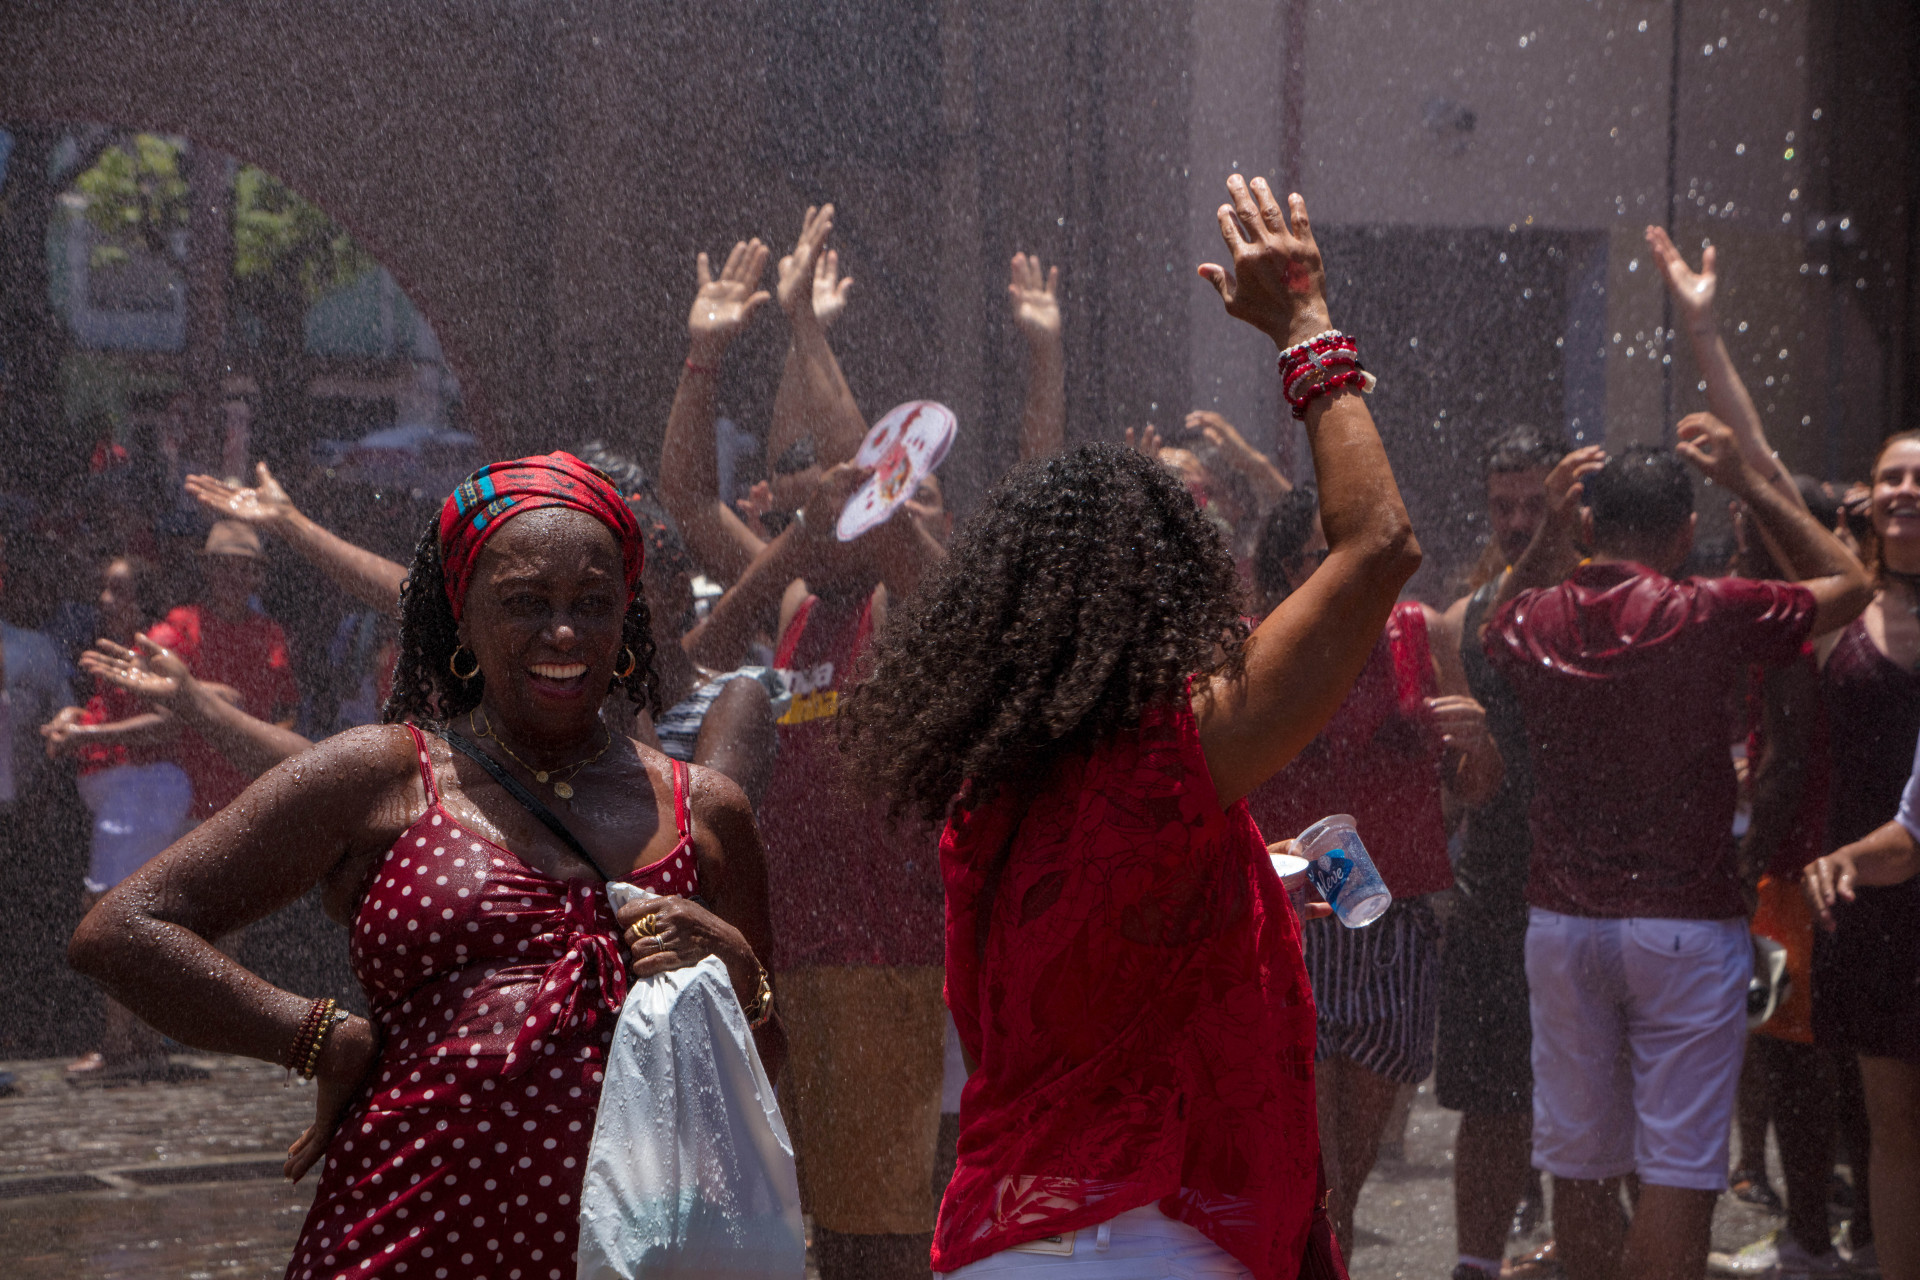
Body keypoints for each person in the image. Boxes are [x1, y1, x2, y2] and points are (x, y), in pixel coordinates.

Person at [842, 176, 1421, 1280]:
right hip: (1154, 1235)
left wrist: (1260, 865)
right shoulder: (1170, 760)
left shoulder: (989, 782)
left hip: (1000, 1241)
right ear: (1170, 586)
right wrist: (1305, 326)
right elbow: (1378, 544)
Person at [68, 451, 782, 1280]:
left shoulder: (706, 812)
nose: (564, 632)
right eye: (525, 603)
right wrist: (319, 1040)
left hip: (630, 1254)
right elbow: (122, 930)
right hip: (403, 1237)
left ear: (628, 615)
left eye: (593, 603)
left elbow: (761, 1072)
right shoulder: (386, 775)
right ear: (461, 614)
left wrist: (746, 980)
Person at [1483, 416, 1872, 1280]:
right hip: (1685, 926)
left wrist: (1550, 527)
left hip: (1564, 925)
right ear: (1689, 533)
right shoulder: (1709, 610)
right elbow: (1853, 579)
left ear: (1586, 527)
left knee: (1579, 1165)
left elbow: (1493, 620)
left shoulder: (1531, 620)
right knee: (1679, 1172)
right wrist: (1751, 481)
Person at [1243, 490, 1501, 1260]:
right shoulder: (1255, 646)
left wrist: (1480, 746)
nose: (1342, 574)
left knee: (1344, 1184)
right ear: (1287, 570)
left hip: (1397, 923)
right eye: (1320, 560)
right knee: (1310, 1174)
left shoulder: (1422, 632)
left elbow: (1476, 785)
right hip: (1297, 920)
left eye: (1357, 554)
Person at [1433, 426, 1566, 1280]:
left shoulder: (1613, 598)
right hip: (1495, 892)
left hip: (1594, 891)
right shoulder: (1465, 619)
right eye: (1503, 507)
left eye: (1535, 505)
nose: (1518, 522)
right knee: (1490, 1105)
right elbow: (1457, 787)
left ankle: (1601, 1252)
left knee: (1604, 1105)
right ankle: (1476, 1268)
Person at [1805, 429, 1920, 1280]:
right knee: (1892, 1130)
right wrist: (1701, 330)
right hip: (1869, 891)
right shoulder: (1841, 613)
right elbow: (1767, 480)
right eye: (1891, 474)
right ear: (1867, 498)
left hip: (1890, 854)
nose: (1906, 489)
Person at [39, 554, 188, 1083]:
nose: (105, 601)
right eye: (104, 590)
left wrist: (87, 737)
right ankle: (141, 1042)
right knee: (132, 918)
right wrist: (71, 719)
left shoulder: (152, 651)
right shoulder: (117, 652)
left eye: (119, 591)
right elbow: (111, 717)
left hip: (143, 793)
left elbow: (167, 722)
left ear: (143, 601)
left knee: (111, 913)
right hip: (126, 796)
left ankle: (122, 1046)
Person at [140, 520, 301, 821]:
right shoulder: (180, 623)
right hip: (188, 791)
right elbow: (148, 688)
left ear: (258, 577)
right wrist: (202, 693)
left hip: (250, 792)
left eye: (245, 569)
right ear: (208, 570)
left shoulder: (271, 633)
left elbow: (287, 710)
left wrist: (268, 754)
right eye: (224, 567)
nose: (234, 578)